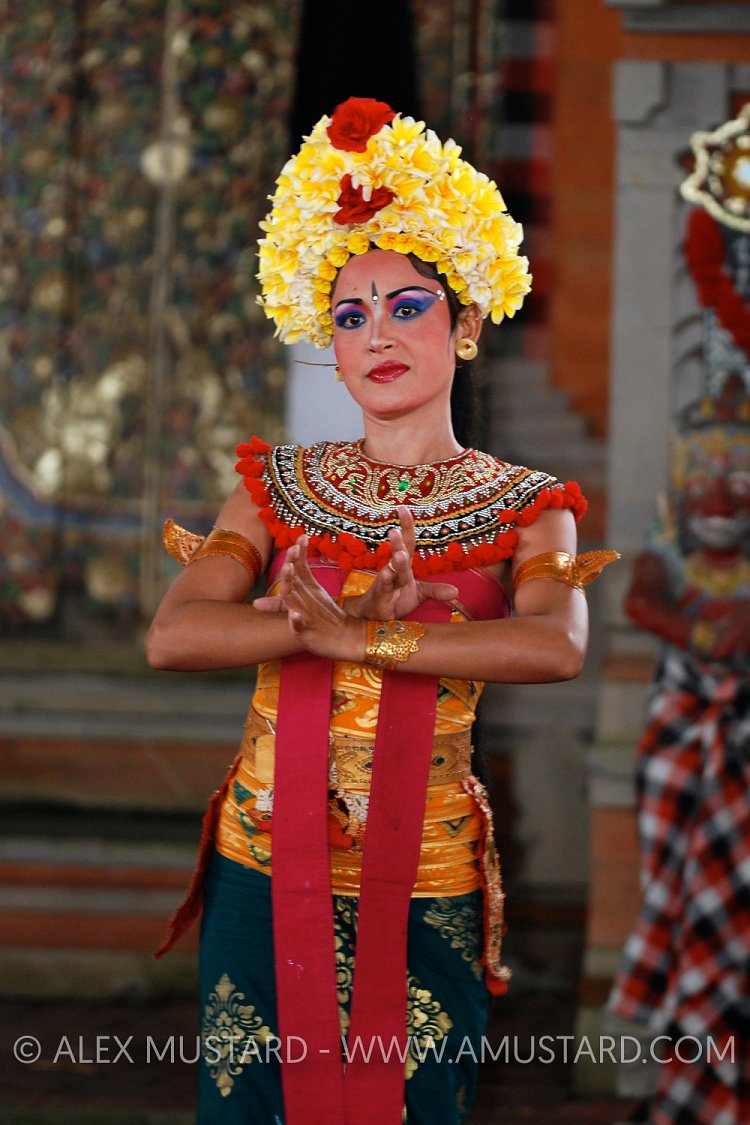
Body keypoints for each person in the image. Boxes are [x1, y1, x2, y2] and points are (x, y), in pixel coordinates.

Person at [147, 97, 616, 1125]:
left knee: (409, 1107)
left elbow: (557, 645)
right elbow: (175, 634)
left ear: (468, 324)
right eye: (350, 317)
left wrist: (358, 636)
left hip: (425, 864)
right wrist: (307, 624)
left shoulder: (530, 505)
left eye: (407, 307)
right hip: (259, 861)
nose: (376, 338)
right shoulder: (278, 487)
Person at [608, 373, 750, 1125]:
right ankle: (689, 1082)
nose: (721, 503)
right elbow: (637, 598)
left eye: (740, 481)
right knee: (676, 891)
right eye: (705, 482)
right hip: (680, 733)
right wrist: (700, 633)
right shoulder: (668, 555)